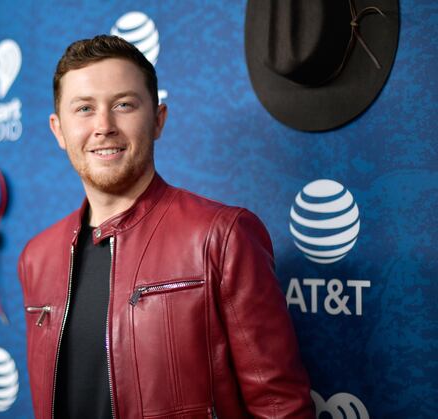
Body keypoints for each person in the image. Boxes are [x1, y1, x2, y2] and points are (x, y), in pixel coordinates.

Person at [18, 34, 315, 419]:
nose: (103, 125)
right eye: (85, 108)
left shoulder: (221, 237)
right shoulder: (36, 258)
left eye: (124, 104)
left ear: (158, 120)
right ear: (58, 130)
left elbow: (282, 409)